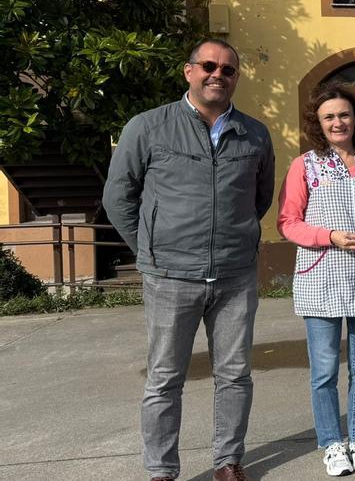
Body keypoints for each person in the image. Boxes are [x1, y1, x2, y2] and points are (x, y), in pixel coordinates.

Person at [103, 38, 274, 481]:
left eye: (228, 70)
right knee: (164, 379)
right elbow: (118, 196)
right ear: (189, 71)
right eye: (209, 66)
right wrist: (151, 248)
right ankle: (161, 470)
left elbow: (259, 198)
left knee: (235, 375)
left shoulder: (255, 133)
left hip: (235, 275)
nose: (218, 74)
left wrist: (236, 239)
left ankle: (228, 461)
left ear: (236, 77)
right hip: (170, 276)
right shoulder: (149, 127)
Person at [277, 81, 355, 476]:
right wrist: (328, 236)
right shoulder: (305, 166)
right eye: (329, 116)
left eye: (344, 114)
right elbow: (288, 223)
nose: (337, 122)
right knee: (325, 370)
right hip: (321, 278)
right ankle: (331, 443)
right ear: (319, 123)